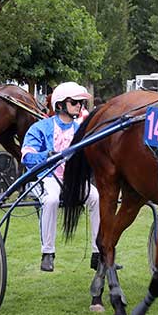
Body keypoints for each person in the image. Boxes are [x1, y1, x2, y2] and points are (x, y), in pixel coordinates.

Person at [21, 81, 100, 272]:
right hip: (46, 178)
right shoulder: (40, 128)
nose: (79, 106)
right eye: (75, 102)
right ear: (60, 105)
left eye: (81, 103)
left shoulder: (81, 130)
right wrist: (47, 155)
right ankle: (48, 253)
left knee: (96, 197)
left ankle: (98, 253)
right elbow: (26, 156)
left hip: (72, 180)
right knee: (51, 200)